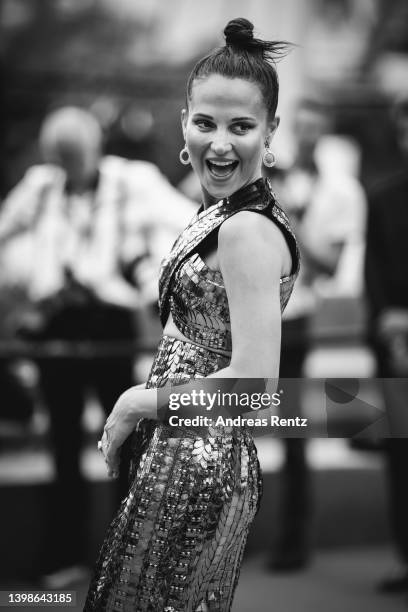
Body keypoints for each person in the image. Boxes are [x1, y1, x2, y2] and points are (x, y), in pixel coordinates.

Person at [84, 18, 299, 612]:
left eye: (242, 126)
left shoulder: (247, 230)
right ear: (183, 122)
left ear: (271, 131)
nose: (221, 144)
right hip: (178, 452)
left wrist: (137, 402)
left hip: (196, 465)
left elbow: (257, 388)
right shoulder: (223, 212)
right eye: (205, 123)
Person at [0, 106, 195, 581]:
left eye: (76, 155)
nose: (70, 165)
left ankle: (126, 554)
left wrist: (151, 266)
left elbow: (188, 220)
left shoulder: (133, 181)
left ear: (94, 148)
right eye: (61, 157)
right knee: (64, 443)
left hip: (110, 319)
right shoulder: (40, 186)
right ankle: (65, 554)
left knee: (125, 439)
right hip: (57, 323)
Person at [266, 100, 366, 570]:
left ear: (324, 132)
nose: (304, 137)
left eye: (314, 129)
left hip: (298, 316)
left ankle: (294, 536)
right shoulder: (270, 172)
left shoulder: (343, 191)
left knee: (290, 430)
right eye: (298, 128)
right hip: (249, 312)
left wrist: (288, 215)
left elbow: (327, 264)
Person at [364, 93, 408, 594]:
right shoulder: (382, 197)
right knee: (400, 463)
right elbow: (372, 274)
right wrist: (390, 330)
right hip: (394, 354)